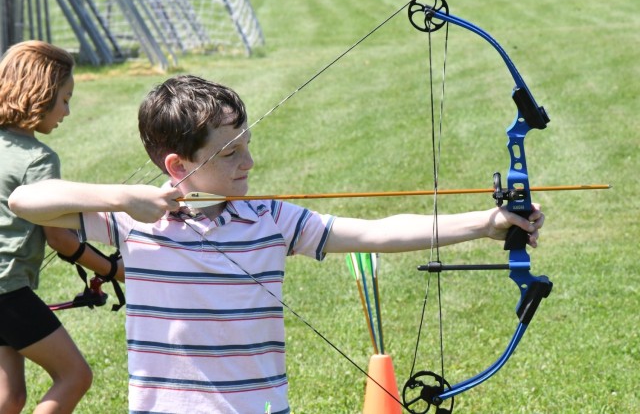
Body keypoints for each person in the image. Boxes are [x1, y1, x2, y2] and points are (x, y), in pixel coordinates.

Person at [8, 75, 545, 414]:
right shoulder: (133, 222)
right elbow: (27, 201)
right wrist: (126, 198)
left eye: (248, 146)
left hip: (259, 406)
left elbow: (377, 231)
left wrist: (487, 222)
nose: (248, 163)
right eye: (231, 153)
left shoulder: (269, 220)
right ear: (178, 166)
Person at [0, 40, 123, 414]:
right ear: (41, 95)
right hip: (8, 292)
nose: (67, 111)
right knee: (74, 376)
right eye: (65, 99)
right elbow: (61, 239)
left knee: (8, 397)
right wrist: (113, 270)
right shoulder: (39, 159)